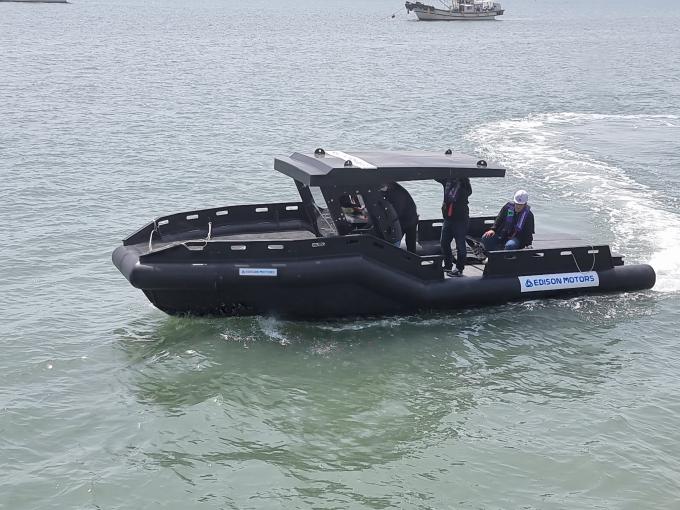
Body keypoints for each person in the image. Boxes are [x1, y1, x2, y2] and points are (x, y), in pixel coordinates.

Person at [438, 176, 472, 277]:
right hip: (448, 218)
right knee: (444, 242)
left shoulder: (465, 185)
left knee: (460, 245)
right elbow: (437, 177)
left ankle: (459, 269)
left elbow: (468, 192)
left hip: (460, 220)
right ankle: (448, 265)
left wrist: (458, 182)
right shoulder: (447, 182)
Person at [382, 182, 419, 252]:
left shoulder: (396, 192)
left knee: (409, 243)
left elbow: (397, 211)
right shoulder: (391, 189)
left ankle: (409, 255)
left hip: (408, 219)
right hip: (407, 217)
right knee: (409, 242)